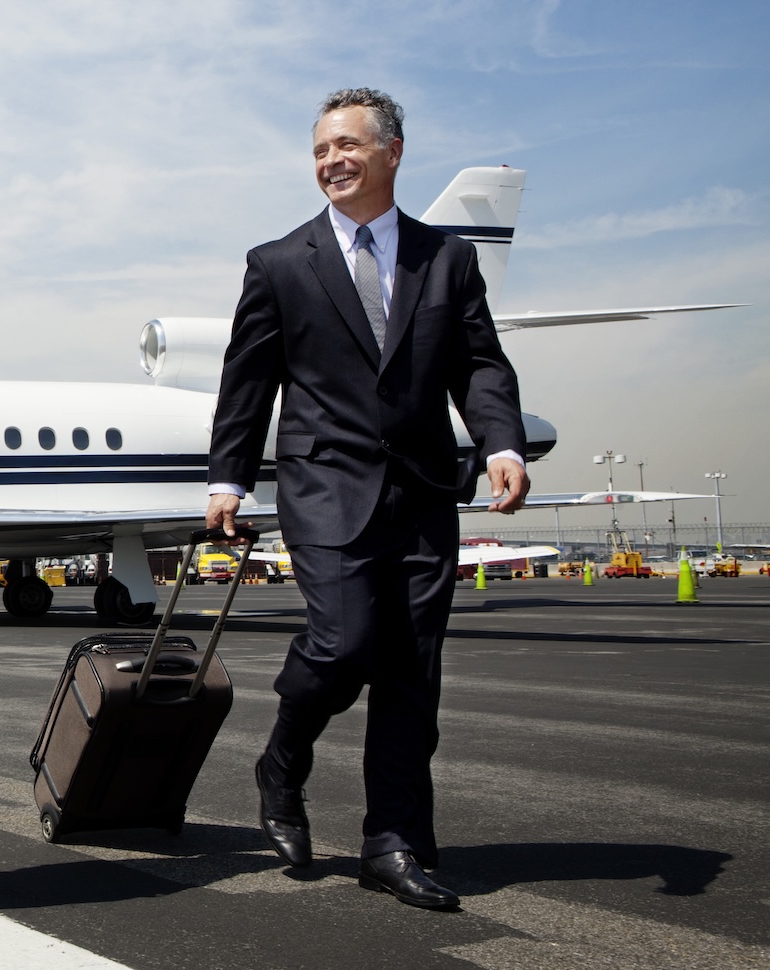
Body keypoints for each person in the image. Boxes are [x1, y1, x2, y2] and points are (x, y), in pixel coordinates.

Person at [205, 88, 529, 909]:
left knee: (412, 676)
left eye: (346, 146)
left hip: (421, 489)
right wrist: (227, 477)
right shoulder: (280, 262)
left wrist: (501, 441)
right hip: (324, 484)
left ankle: (393, 843)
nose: (330, 162)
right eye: (320, 151)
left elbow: (480, 365)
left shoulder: (446, 259)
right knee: (343, 643)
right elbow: (248, 382)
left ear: (391, 152)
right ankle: (282, 760)